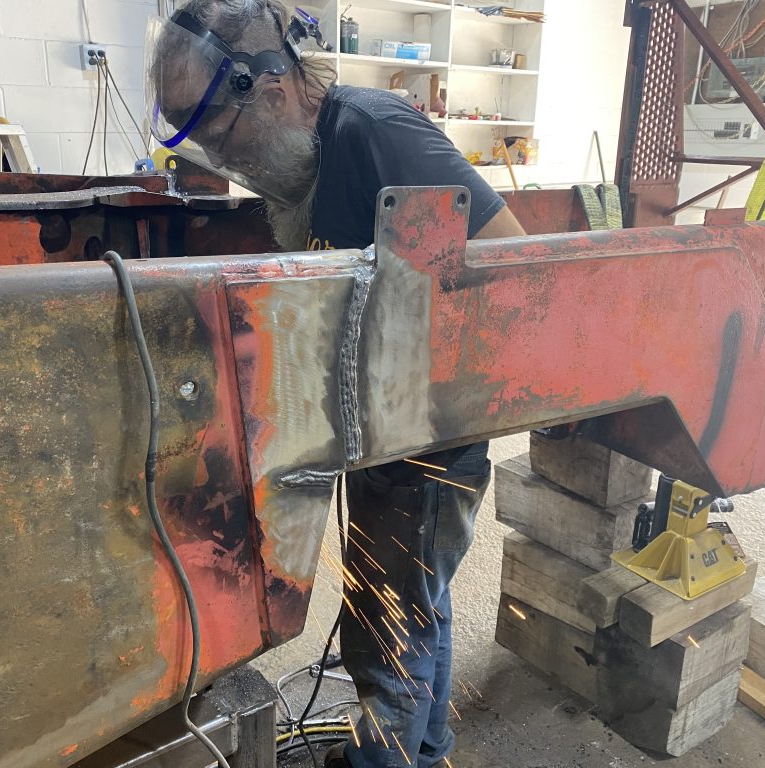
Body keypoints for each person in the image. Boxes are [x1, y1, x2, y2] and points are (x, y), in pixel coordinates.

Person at [146, 2, 526, 765]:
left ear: (273, 90)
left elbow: (516, 263)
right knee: (415, 600)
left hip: (432, 428)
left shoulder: (374, 131)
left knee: (386, 629)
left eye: (224, 138)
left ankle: (385, 758)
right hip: (383, 424)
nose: (227, 162)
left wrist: (420, 385)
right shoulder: (304, 166)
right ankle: (427, 749)